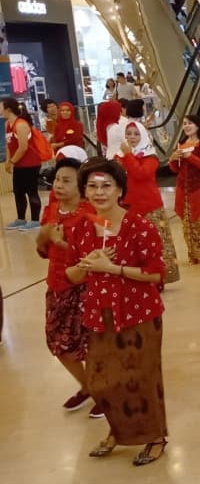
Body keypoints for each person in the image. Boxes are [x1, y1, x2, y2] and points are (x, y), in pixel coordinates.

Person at [66, 160, 168, 466]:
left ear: (120, 190)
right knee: (103, 381)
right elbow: (71, 275)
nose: (99, 192)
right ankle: (117, 430)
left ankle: (155, 436)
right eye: (93, 186)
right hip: (98, 314)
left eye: (106, 186)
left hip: (138, 314)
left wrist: (113, 268)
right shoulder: (83, 227)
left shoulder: (139, 225)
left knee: (141, 378)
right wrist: (88, 264)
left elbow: (155, 274)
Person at [35, 157, 94, 414]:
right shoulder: (51, 210)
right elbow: (42, 248)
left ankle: (102, 392)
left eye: (66, 180)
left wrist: (59, 243)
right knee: (57, 342)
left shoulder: (90, 214)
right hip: (56, 285)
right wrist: (44, 237)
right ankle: (88, 385)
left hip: (83, 287)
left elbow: (92, 258)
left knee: (89, 344)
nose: (59, 185)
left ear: (81, 186)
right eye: (57, 179)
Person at [115, 123, 180, 284]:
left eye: (136, 134)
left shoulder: (150, 157)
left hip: (150, 206)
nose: (132, 137)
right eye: (128, 134)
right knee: (134, 245)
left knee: (157, 243)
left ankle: (160, 276)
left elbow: (140, 174)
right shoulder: (118, 157)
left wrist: (128, 156)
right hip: (128, 207)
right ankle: (138, 277)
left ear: (143, 136)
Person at [169, 114, 200, 265]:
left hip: (199, 188)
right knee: (186, 224)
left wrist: (191, 157)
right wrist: (173, 159)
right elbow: (176, 169)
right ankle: (193, 253)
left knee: (199, 222)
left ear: (198, 126)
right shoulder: (181, 144)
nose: (186, 126)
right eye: (184, 124)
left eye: (190, 123)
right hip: (184, 189)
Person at [3, 98, 44, 230]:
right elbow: (9, 145)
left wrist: (12, 161)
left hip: (30, 163)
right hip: (19, 164)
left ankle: (35, 221)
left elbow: (23, 147)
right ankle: (21, 219)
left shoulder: (21, 124)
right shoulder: (7, 124)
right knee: (18, 192)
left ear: (8, 109)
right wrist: (8, 161)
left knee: (31, 191)